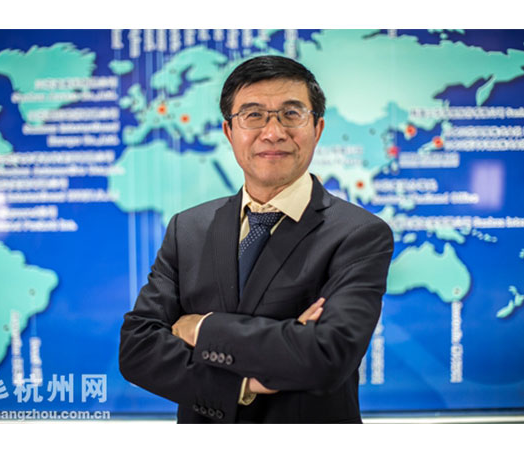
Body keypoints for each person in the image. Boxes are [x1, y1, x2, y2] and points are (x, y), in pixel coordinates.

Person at [119, 55, 394, 423]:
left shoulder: (359, 234)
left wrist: (200, 328)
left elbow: (327, 354)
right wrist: (243, 383)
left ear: (318, 128)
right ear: (229, 131)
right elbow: (138, 348)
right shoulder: (188, 229)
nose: (273, 132)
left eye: (291, 114)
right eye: (253, 115)